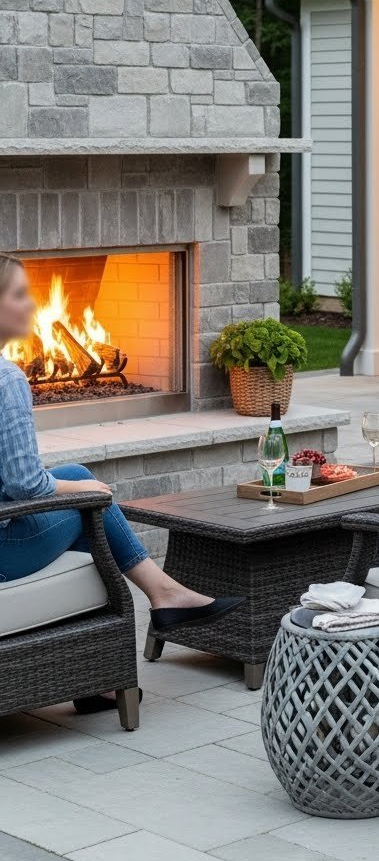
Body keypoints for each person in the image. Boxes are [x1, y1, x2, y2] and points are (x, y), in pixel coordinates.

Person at [0, 254, 243, 713]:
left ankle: (100, 671)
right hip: (4, 547)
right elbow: (26, 487)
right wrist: (93, 493)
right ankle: (163, 597)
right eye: (18, 294)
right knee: (91, 502)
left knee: (76, 479)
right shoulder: (5, 377)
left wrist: (78, 485)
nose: (32, 304)